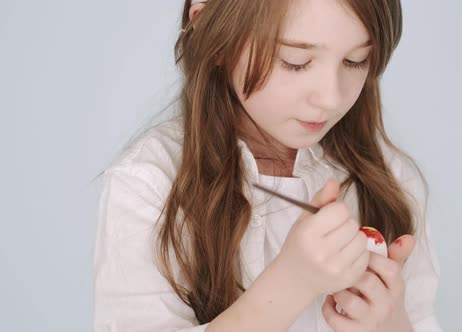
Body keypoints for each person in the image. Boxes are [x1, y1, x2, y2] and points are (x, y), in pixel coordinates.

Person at [93, 0, 443, 331]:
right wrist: (291, 283)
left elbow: (421, 316)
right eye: (294, 61)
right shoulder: (150, 183)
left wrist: (393, 322)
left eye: (356, 61)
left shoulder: (389, 180)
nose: (331, 97)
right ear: (212, 37)